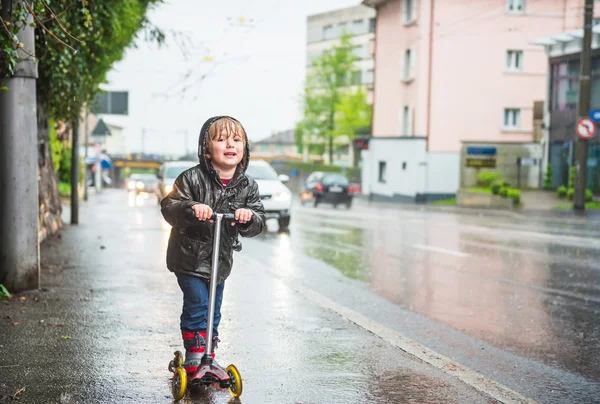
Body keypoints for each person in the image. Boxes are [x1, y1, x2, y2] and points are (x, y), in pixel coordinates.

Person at [161, 116, 266, 374]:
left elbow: (258, 218)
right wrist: (191, 208)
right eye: (221, 140)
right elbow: (169, 206)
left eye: (237, 140)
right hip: (189, 257)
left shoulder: (248, 186)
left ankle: (209, 353)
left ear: (245, 149)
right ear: (207, 150)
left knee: (214, 309)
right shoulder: (192, 179)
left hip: (220, 261)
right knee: (198, 303)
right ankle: (194, 355)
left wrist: (248, 217)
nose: (230, 145)